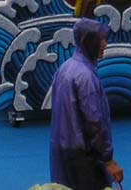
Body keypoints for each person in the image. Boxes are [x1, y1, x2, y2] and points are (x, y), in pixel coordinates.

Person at [49, 18, 123, 190]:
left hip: (61, 149)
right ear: (90, 42)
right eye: (101, 40)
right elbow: (94, 122)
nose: (105, 44)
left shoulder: (65, 68)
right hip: (83, 155)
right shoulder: (86, 77)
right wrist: (108, 159)